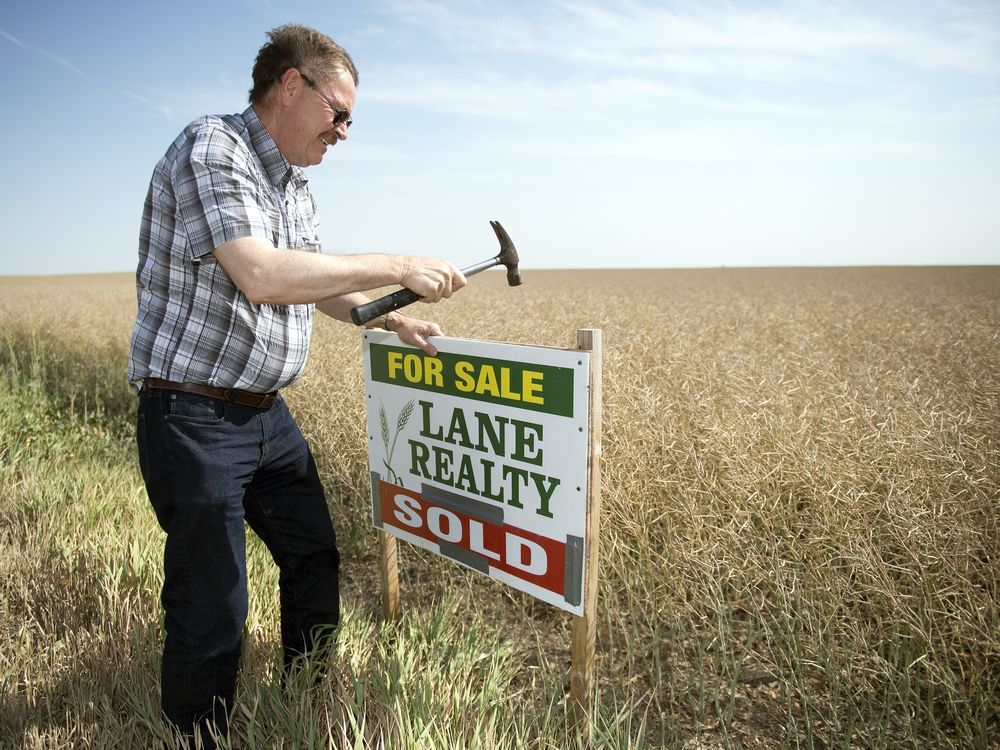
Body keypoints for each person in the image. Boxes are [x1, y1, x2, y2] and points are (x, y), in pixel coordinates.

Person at [127, 24, 466, 746]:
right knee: (212, 600)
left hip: (264, 417)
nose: (344, 131)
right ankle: (197, 735)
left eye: (350, 120)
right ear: (291, 86)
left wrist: (386, 320)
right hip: (191, 413)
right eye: (338, 113)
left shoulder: (295, 186)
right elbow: (263, 273)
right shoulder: (211, 149)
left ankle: (304, 700)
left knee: (313, 554)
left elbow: (311, 286)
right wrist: (396, 261)